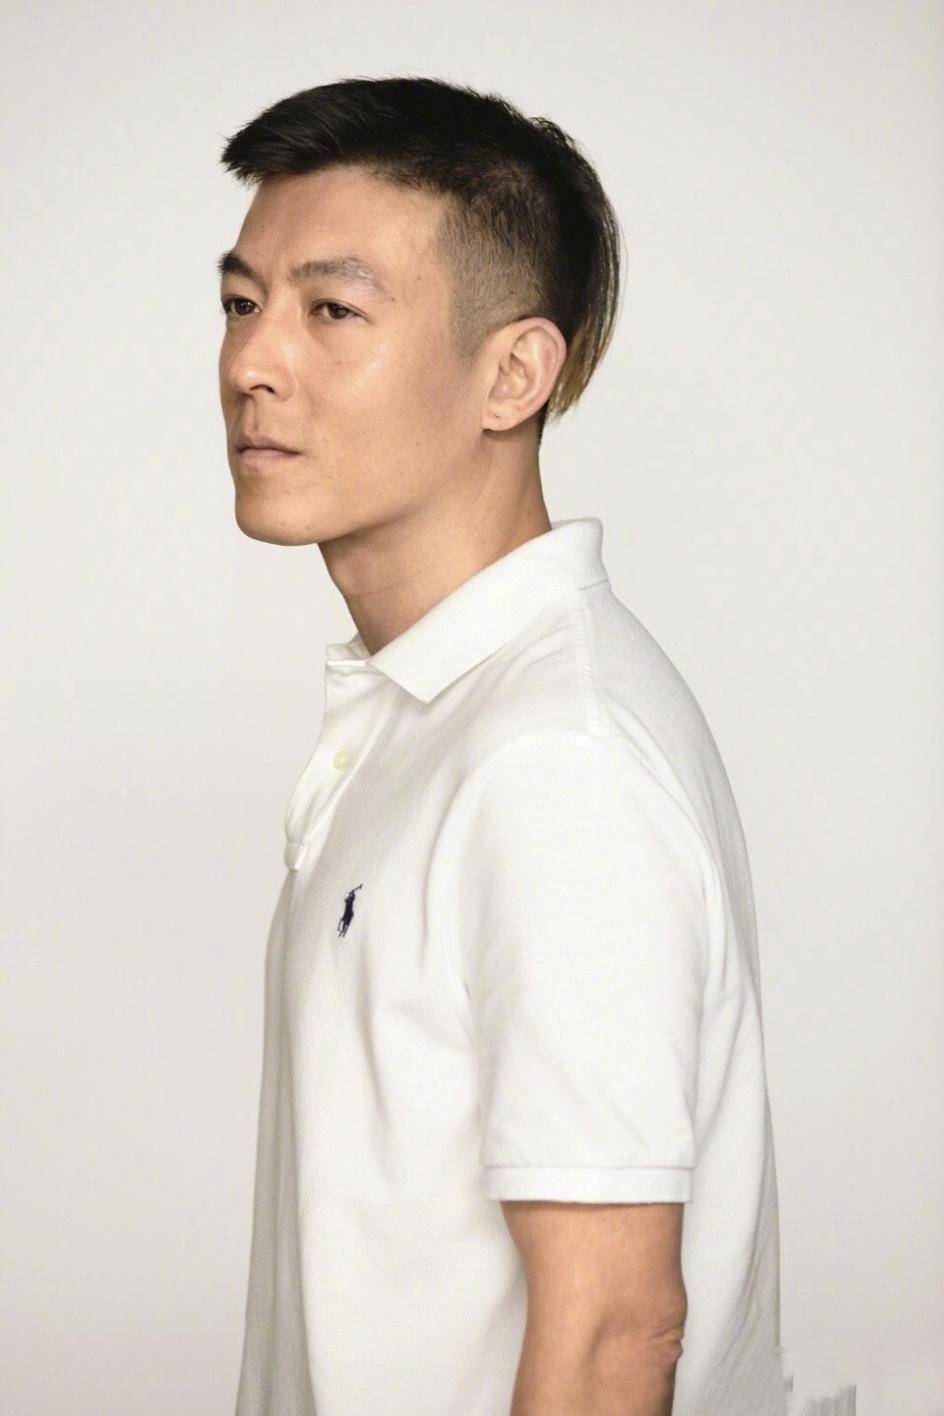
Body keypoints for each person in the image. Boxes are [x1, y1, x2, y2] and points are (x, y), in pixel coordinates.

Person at [217, 74, 789, 1416]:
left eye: (331, 311)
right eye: (242, 303)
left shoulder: (553, 757)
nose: (251, 363)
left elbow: (613, 1334)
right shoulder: (439, 714)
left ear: (513, 373)